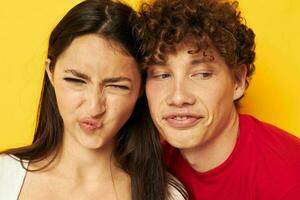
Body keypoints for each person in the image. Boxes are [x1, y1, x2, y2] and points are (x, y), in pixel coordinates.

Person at [0, 0, 188, 199]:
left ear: (141, 88)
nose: (94, 107)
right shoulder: (4, 176)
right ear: (51, 73)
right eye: (76, 80)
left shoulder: (167, 194)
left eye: (116, 86)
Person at [133, 0, 300, 199]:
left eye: (202, 74)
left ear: (238, 81)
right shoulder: (152, 167)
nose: (178, 98)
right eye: (162, 75)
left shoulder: (289, 177)